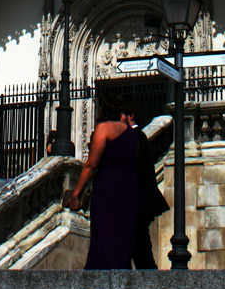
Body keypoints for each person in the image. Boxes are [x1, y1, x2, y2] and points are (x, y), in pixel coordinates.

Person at [66, 94, 138, 269]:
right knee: (123, 233)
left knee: (106, 232)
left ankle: (102, 273)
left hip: (109, 185)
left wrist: (76, 194)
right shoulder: (131, 133)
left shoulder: (104, 128)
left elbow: (91, 165)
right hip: (129, 187)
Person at [123, 102, 170, 269]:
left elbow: (135, 168)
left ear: (131, 116)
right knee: (135, 245)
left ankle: (150, 281)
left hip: (140, 201)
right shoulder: (139, 137)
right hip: (142, 201)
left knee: (140, 246)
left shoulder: (135, 137)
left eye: (122, 115)